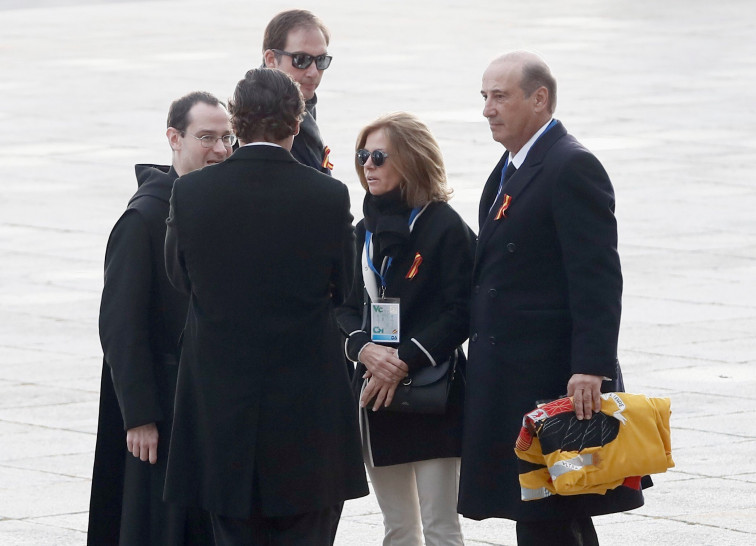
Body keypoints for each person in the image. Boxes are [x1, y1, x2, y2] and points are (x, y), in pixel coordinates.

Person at [162, 67, 368, 546]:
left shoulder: (190, 192)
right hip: (306, 402)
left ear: (237, 123)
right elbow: (345, 288)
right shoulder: (328, 194)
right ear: (296, 124)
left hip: (220, 396)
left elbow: (179, 276)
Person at [457, 51, 645, 545]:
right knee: (547, 511)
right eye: (484, 97)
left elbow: (598, 275)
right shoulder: (513, 163)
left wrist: (591, 366)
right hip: (512, 372)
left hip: (551, 376)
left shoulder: (571, 165)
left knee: (554, 511)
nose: (487, 110)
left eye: (500, 97)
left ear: (539, 99)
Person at [88, 91, 233, 545]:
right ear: (174, 138)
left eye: (228, 138)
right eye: (206, 137)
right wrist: (139, 416)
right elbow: (119, 325)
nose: (220, 149)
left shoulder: (222, 205)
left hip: (211, 408)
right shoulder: (144, 217)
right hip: (162, 415)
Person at [335, 112, 474, 546]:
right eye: (363, 155)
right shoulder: (362, 231)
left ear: (412, 160)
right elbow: (340, 306)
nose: (368, 165)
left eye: (379, 156)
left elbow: (462, 311)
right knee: (398, 528)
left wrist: (402, 359)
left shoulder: (446, 227)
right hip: (377, 395)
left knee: (440, 527)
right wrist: (364, 350)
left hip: (434, 392)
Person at [262, 9, 333, 174]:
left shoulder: (301, 105)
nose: (313, 72)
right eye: (301, 60)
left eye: (321, 60)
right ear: (271, 59)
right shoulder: (258, 118)